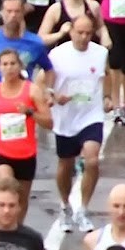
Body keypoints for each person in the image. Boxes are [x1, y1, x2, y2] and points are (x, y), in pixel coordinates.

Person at [48, 13, 109, 229]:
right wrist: (55, 96)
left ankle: (83, 209)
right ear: (71, 31)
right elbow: (44, 82)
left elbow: (106, 75)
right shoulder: (57, 55)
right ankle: (65, 205)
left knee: (92, 160)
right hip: (65, 117)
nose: (83, 37)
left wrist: (108, 97)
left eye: (88, 33)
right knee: (66, 164)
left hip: (91, 114)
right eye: (80, 32)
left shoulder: (100, 53)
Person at [0, 47, 52, 218]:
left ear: (20, 66)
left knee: (21, 201)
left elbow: (49, 122)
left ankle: (16, 229)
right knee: (7, 188)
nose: (9, 68)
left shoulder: (32, 91)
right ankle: (1, 224)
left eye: (13, 63)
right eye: (5, 64)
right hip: (0, 152)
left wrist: (30, 112)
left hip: (25, 155)